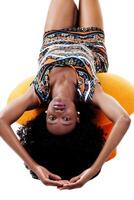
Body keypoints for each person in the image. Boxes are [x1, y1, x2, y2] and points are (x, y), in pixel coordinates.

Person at [0, 0, 131, 190]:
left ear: (44, 116)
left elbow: (1, 120)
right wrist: (95, 167)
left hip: (55, 37)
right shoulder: (89, 92)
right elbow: (123, 119)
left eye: (52, 118)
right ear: (78, 118)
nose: (58, 111)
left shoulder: (37, 93)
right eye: (66, 119)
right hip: (91, 42)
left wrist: (35, 165)